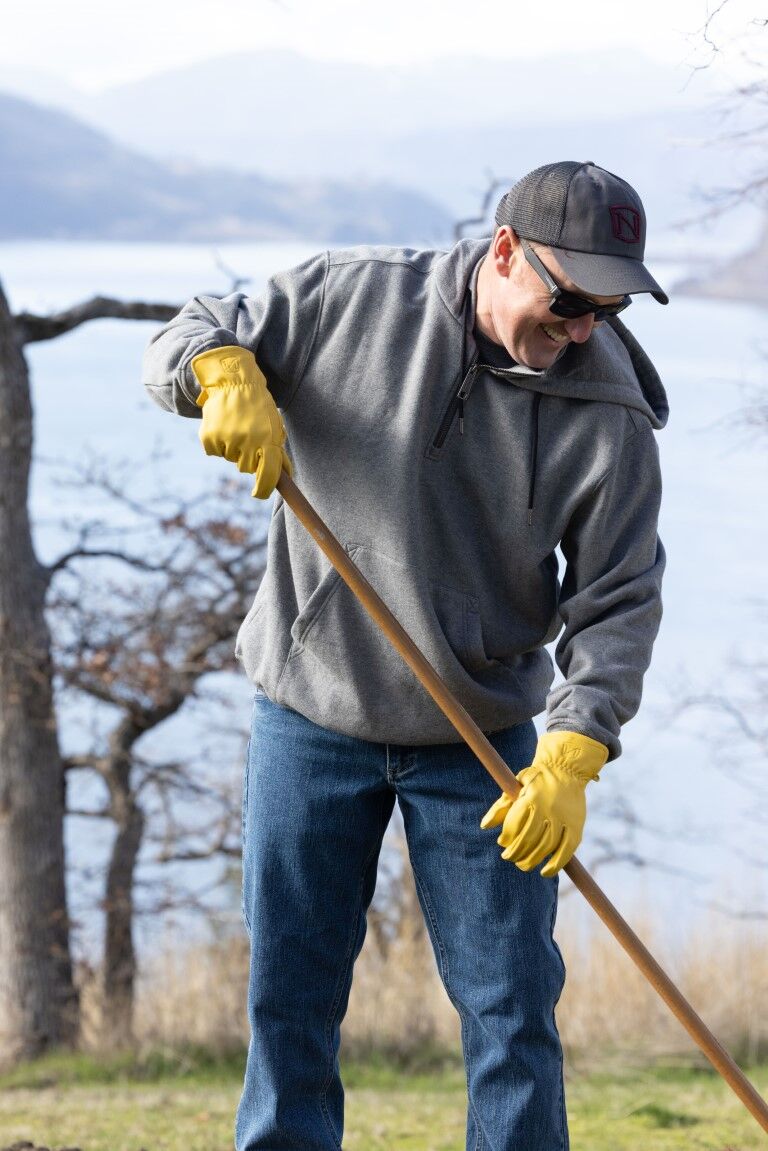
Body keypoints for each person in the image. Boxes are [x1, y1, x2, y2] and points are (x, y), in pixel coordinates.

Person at [142, 160, 669, 1151]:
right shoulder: (351, 297)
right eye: (569, 302)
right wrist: (219, 368)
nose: (585, 330)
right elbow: (191, 328)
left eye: (609, 307)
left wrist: (572, 749)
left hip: (484, 744)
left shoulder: (611, 415)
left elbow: (620, 600)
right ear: (506, 252)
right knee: (289, 994)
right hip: (309, 712)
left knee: (512, 1006)